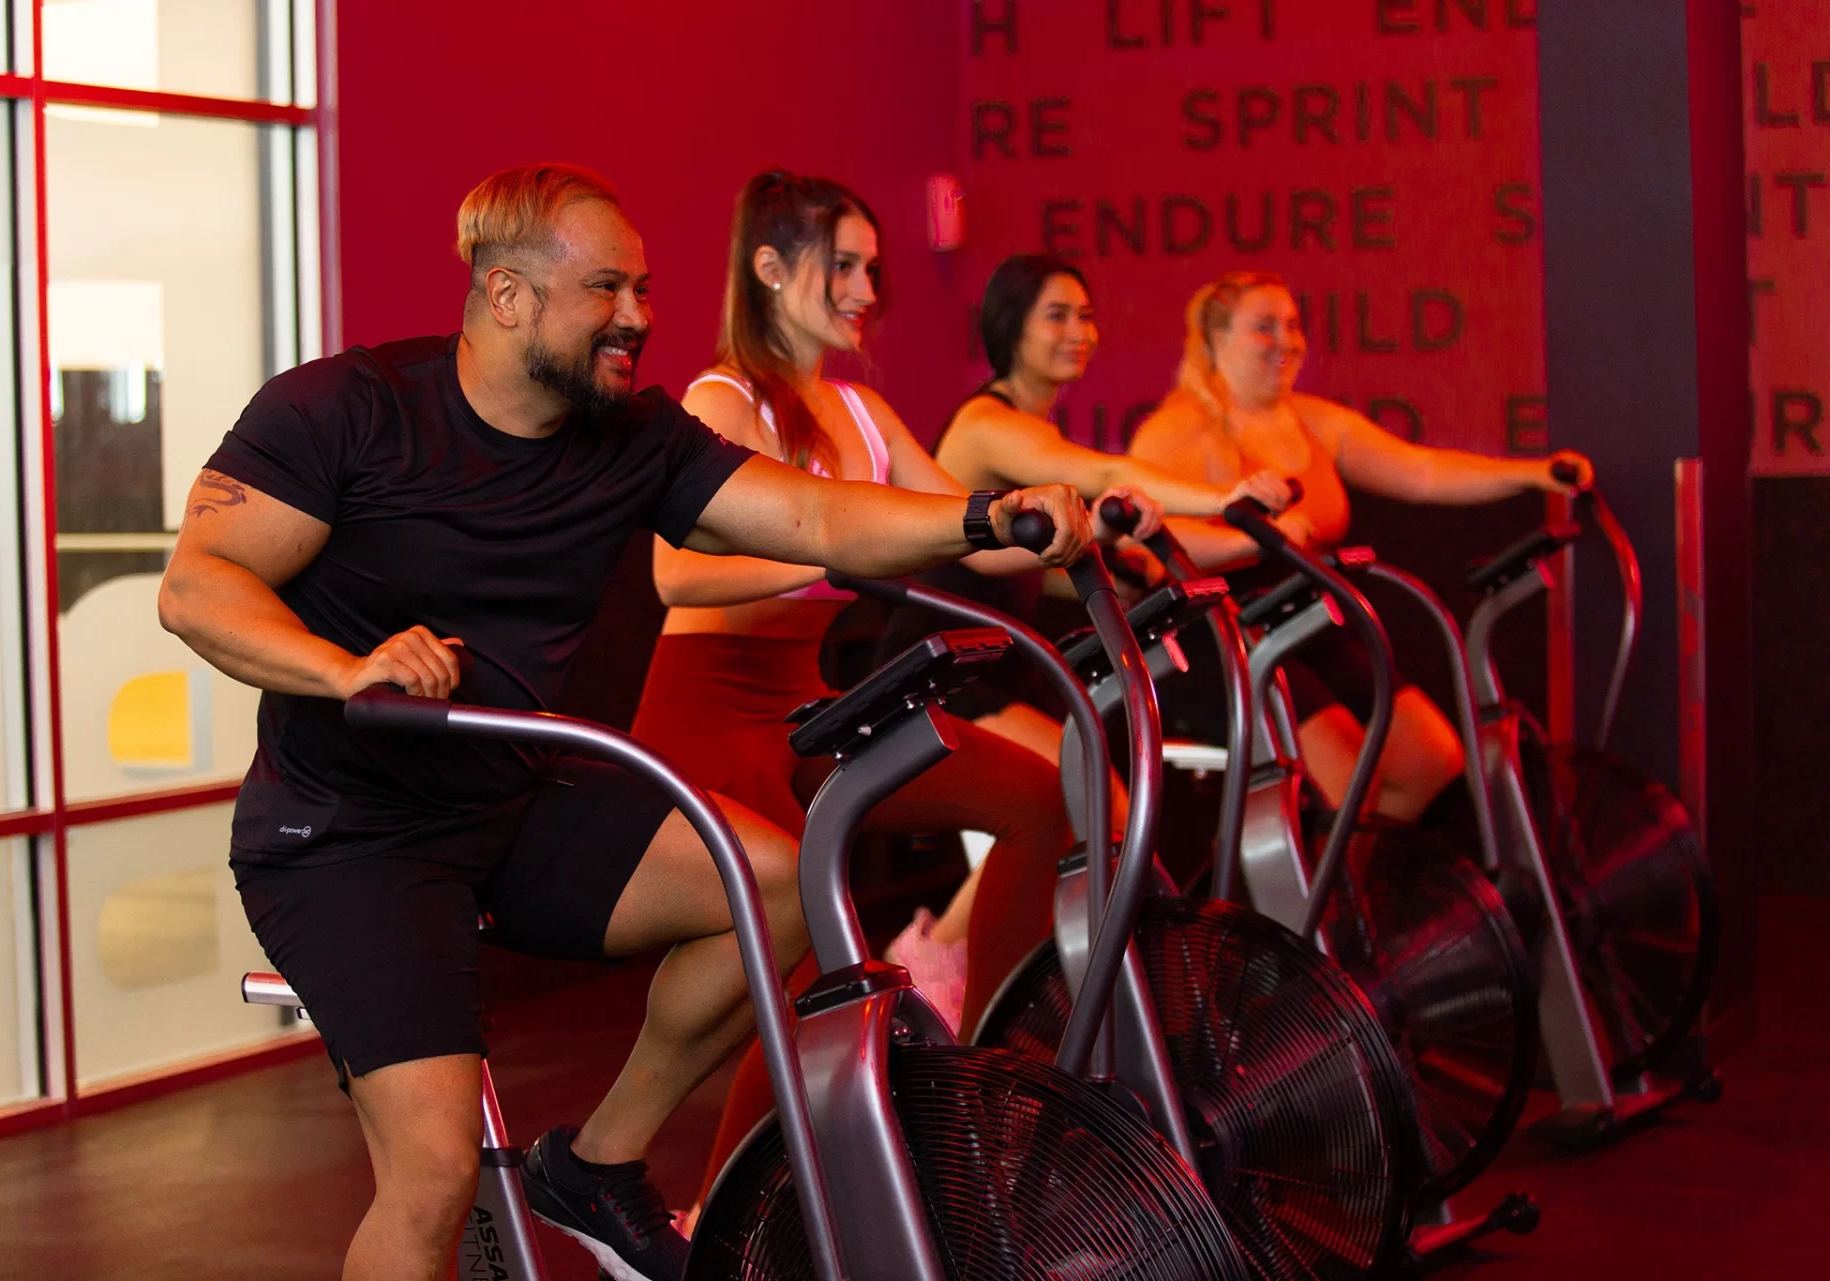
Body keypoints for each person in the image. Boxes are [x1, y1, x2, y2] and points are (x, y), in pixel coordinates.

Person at [156, 162, 1090, 1281]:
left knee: (778, 885)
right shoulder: (345, 409)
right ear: (508, 297)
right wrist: (345, 665)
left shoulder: (632, 438)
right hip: (351, 836)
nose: (641, 317)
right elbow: (198, 585)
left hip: (512, 794)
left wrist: (984, 517)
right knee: (435, 1172)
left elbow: (809, 513)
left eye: (644, 289)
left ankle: (597, 1165)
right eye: (608, 289)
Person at [627, 175, 1123, 1217]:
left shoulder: (859, 409)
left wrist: (1059, 517)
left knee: (1038, 800)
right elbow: (676, 578)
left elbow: (965, 532)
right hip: (708, 711)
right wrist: (826, 557)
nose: (864, 290)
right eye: (841, 266)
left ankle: (991, 1084)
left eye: (869, 269)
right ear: (769, 268)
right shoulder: (724, 404)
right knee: (806, 952)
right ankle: (720, 1216)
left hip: (804, 704)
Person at [1126, 270, 1592, 822]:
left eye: (1294, 325)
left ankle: (1364, 895)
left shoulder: (1313, 421)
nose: (1287, 341)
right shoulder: (1180, 429)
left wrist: (1534, 474)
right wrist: (1252, 539)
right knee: (1346, 784)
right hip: (1220, 634)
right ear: (1216, 340)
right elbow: (1152, 547)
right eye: (1264, 327)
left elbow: (1421, 470)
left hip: (1305, 618)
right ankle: (1317, 903)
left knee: (1429, 761)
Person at [878, 253, 1289, 774]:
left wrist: (1120, 570)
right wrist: (1225, 499)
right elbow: (1099, 474)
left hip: (999, 660)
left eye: (1086, 315)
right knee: (1087, 790)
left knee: (1113, 786)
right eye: (1057, 315)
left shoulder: (1032, 424)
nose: (1078, 331)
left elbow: (1011, 567)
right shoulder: (988, 423)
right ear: (1011, 327)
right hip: (933, 667)